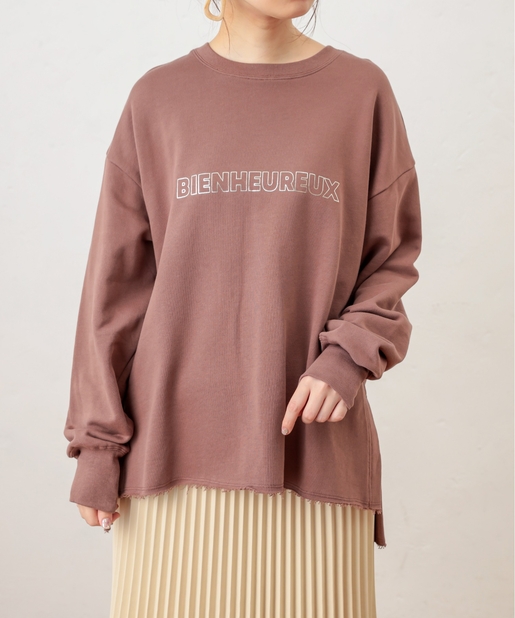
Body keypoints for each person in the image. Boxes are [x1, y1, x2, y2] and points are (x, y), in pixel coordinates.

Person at [64, 0, 422, 615]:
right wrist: (97, 444)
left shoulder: (361, 92)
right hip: (170, 454)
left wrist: (347, 356)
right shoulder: (157, 99)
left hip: (314, 453)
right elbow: (114, 291)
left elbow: (392, 257)